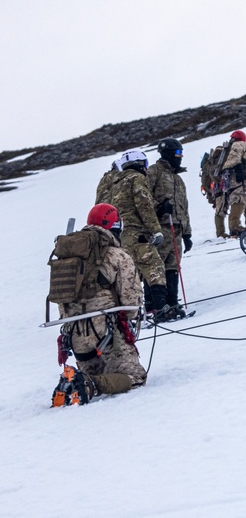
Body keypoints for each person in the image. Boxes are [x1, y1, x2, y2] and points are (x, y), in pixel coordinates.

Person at [51, 204, 147, 406]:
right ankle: (88, 384)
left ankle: (72, 383)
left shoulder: (69, 255)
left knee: (98, 371)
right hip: (107, 332)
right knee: (134, 376)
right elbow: (130, 302)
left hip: (75, 334)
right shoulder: (117, 255)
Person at [109, 150, 169, 318]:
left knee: (133, 273)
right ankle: (161, 309)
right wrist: (156, 230)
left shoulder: (116, 183)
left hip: (121, 235)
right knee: (154, 267)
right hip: (137, 233)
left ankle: (140, 311)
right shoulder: (137, 179)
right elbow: (144, 205)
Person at [146, 138, 192, 321]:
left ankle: (172, 302)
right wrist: (159, 207)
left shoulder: (178, 179)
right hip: (160, 227)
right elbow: (143, 196)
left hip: (177, 229)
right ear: (168, 153)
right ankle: (154, 306)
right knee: (157, 266)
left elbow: (184, 207)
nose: (180, 157)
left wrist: (187, 233)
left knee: (173, 266)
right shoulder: (154, 172)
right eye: (178, 153)